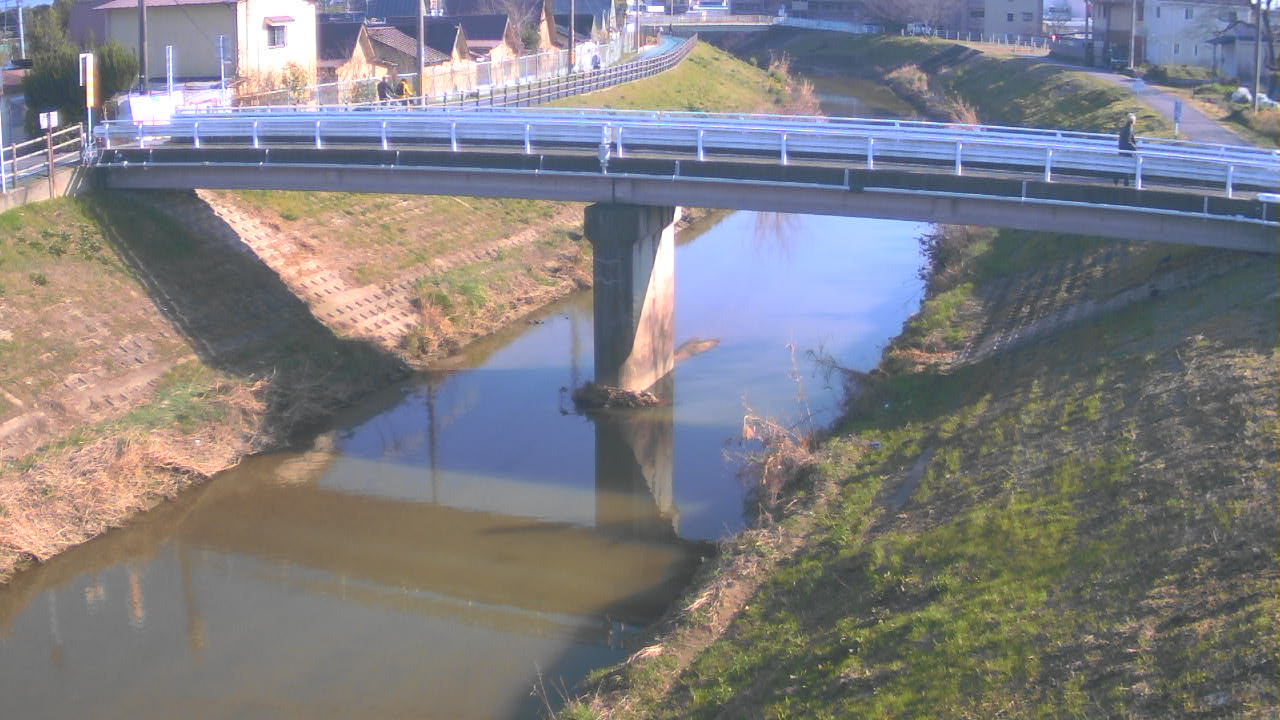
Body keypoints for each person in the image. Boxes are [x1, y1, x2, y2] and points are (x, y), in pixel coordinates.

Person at [1117, 113, 1137, 186]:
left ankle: (1121, 179)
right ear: (1133, 121)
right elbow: (1128, 141)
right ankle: (1125, 182)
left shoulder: (1125, 128)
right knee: (1127, 166)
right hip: (1126, 150)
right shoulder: (1128, 129)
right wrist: (1135, 148)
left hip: (1122, 149)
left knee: (1124, 166)